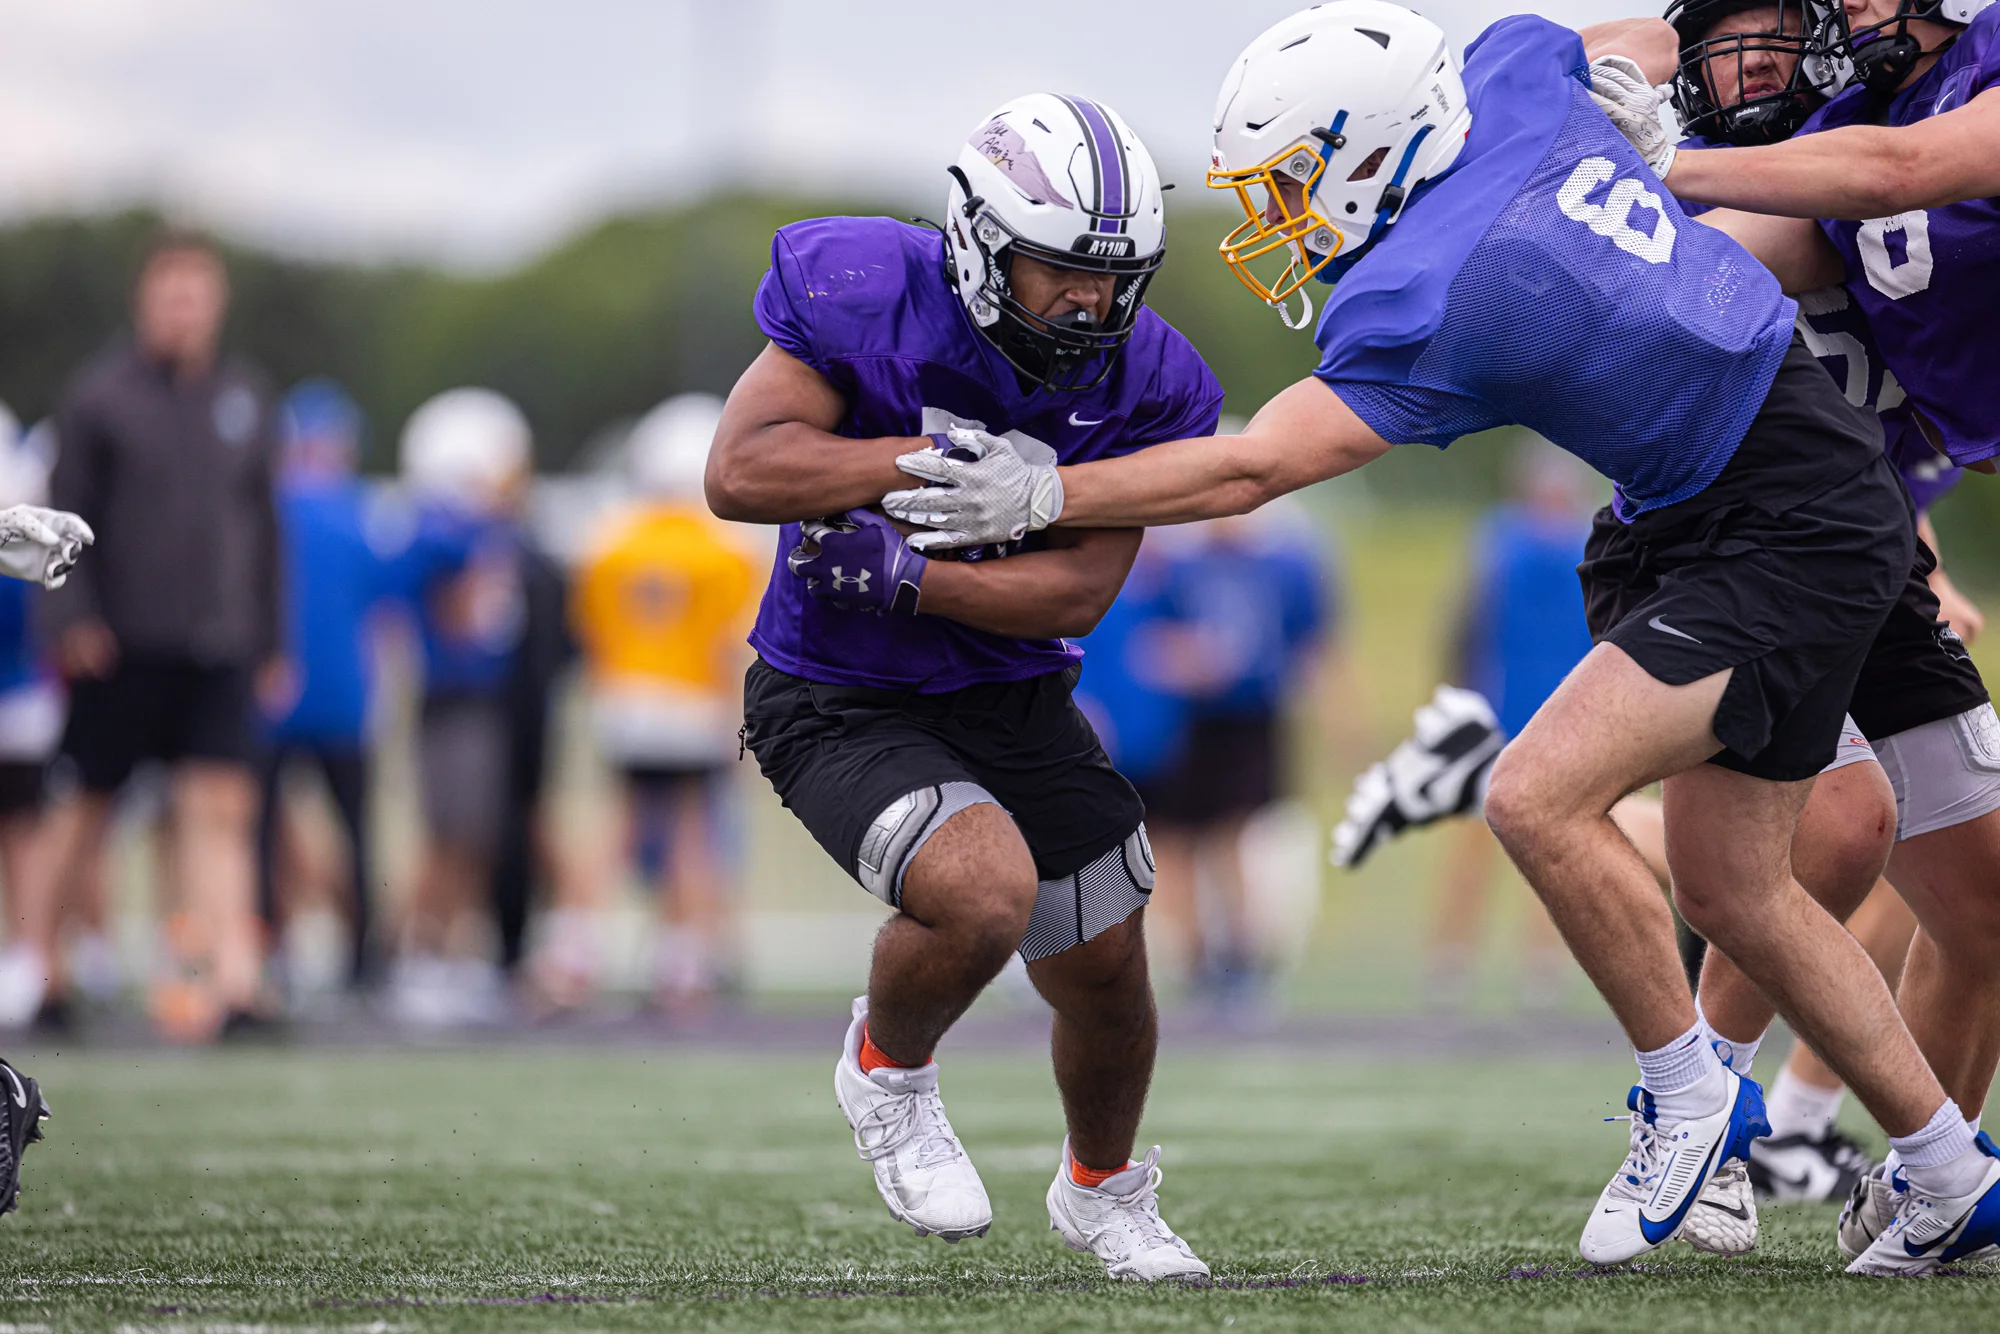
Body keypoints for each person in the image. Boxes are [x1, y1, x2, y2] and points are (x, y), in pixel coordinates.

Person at [875, 2, 2000, 1274]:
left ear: (1364, 151)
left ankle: (1684, 1092)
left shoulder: (1443, 285)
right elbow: (1610, 41)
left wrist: (1047, 492)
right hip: (1721, 499)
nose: (1282, 220)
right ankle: (1949, 1174)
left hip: (1777, 513)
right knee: (1735, 885)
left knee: (1531, 793)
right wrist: (1624, 101)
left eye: (1294, 183)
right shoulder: (1510, 81)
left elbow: (1249, 466)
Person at [706, 94, 1222, 1279]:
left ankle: (1102, 1189)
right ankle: (887, 1068)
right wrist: (920, 465)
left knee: (1103, 961)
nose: (1090, 303)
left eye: (1111, 276)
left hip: (1010, 692)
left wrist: (911, 578)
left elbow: (1074, 594)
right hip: (834, 690)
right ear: (982, 241)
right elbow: (739, 470)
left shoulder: (1150, 380)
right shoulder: (865, 287)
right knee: (983, 888)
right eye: (1058, 273)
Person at [1588, 0, 2000, 1260]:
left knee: (1984, 902)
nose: (1778, 53)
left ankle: (1922, 1191)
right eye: (1747, 36)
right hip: (1730, 549)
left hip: (1860, 543)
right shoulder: (1821, 139)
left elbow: (1895, 177)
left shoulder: (1872, 133)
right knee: (1833, 821)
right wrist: (1565, 126)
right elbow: (1630, 72)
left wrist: (1655, 159)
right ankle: (1705, 1104)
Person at [41, 232, 285, 1042]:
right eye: (169, 293)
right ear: (146, 301)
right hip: (122, 642)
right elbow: (58, 520)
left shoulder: (245, 397)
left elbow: (265, 531)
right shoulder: (99, 398)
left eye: (197, 293)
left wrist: (272, 639)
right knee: (85, 810)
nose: (183, 308)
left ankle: (234, 984)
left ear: (216, 302)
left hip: (217, 642)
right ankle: (42, 970)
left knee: (222, 806)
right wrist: (73, 621)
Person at [569, 394, 756, 1012]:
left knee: (615, 827)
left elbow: (593, 634)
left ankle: (575, 951)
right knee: (690, 836)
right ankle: (684, 963)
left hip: (626, 702)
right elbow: (725, 648)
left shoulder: (608, 542)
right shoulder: (722, 552)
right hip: (692, 708)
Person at [1131, 505, 1339, 1004]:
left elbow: (1310, 646)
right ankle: (1197, 956)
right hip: (1187, 719)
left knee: (1231, 832)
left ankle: (1240, 957)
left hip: (1249, 716)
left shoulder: (1285, 566)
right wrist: (1186, 660)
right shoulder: (1178, 567)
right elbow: (1147, 639)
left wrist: (1334, 717)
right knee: (1174, 840)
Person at [389, 388, 532, 1029]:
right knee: (448, 838)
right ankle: (420, 959)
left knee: (475, 838)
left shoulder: (484, 527)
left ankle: (454, 957)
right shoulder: (439, 529)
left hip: (482, 701)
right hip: (451, 700)